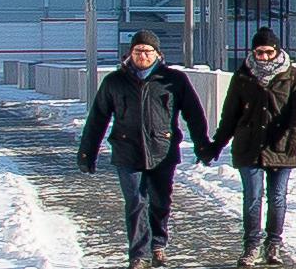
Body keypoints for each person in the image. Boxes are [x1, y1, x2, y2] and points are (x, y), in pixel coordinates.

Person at [75, 30, 212, 266]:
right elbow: (98, 119)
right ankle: (138, 254)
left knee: (160, 201)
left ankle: (158, 243)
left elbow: (194, 114)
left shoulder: (173, 80)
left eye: (148, 51)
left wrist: (202, 145)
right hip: (127, 151)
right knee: (136, 202)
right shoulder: (114, 81)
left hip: (163, 151)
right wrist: (88, 152)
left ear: (158, 54)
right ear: (130, 54)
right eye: (138, 51)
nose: (143, 56)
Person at [207, 30, 296, 262]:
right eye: (259, 52)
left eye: (268, 52)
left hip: (281, 146)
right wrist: (217, 144)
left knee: (277, 197)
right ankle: (251, 245)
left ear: (277, 51)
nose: (263, 57)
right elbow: (230, 114)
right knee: (252, 196)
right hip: (249, 146)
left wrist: (295, 138)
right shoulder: (242, 75)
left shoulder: (291, 75)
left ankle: (273, 243)